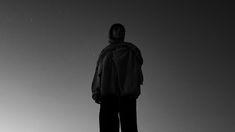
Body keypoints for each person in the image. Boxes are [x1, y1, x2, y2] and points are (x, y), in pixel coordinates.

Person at [92, 23, 143, 132]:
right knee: (107, 126)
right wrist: (96, 90)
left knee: (129, 126)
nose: (119, 31)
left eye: (121, 30)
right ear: (111, 32)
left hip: (127, 93)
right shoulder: (105, 52)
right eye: (116, 29)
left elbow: (136, 70)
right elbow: (98, 72)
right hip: (107, 93)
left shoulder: (131, 50)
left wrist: (135, 88)